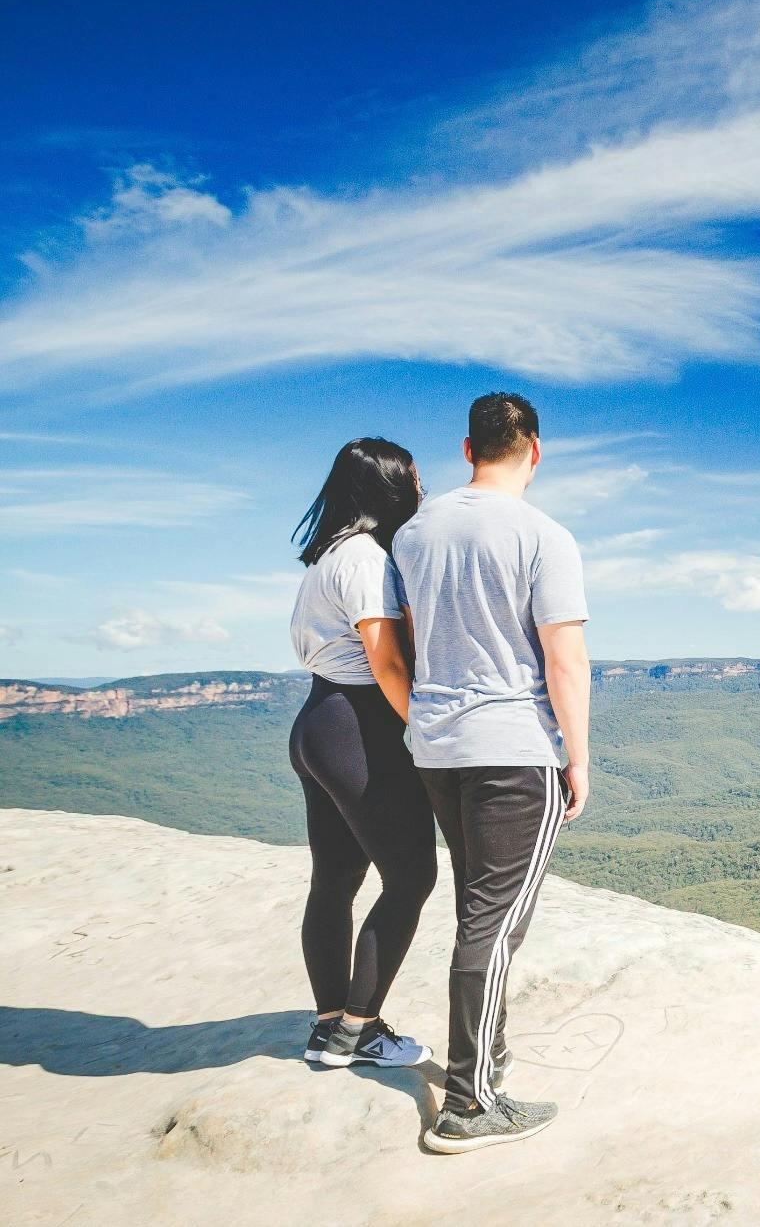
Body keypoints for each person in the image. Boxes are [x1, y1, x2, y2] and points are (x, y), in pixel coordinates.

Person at [393, 392, 591, 1154]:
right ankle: (470, 1104)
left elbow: (411, 641)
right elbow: (563, 658)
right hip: (513, 746)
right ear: (533, 450)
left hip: (438, 749)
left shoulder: (415, 533)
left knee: (481, 912)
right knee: (494, 923)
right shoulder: (543, 535)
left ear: (467, 448)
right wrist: (579, 758)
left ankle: (491, 1061)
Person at [286, 437, 438, 1071]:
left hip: (319, 722)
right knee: (412, 878)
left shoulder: (326, 557)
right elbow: (387, 659)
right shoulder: (365, 560)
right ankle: (359, 1031)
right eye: (414, 480)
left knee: (337, 880)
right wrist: (426, 729)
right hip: (358, 728)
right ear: (388, 489)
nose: (422, 491)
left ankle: (329, 1028)